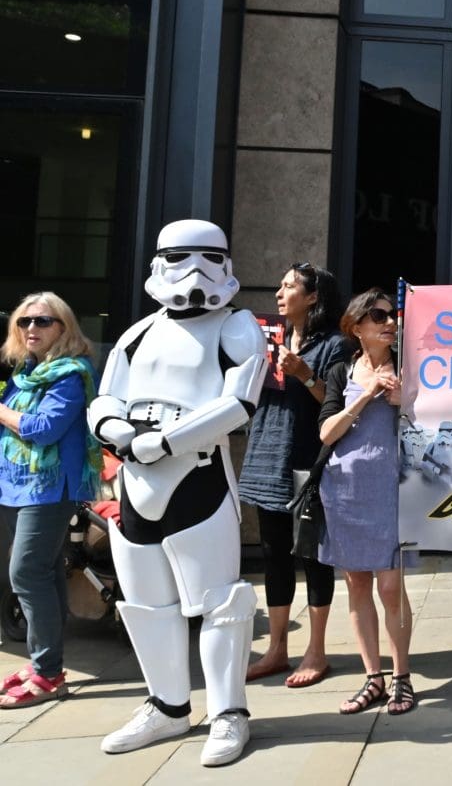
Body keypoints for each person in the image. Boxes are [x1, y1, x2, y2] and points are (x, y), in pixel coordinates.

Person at [88, 219, 267, 767]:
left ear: (226, 262)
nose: (195, 270)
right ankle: (167, 707)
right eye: (181, 257)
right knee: (145, 605)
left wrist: (165, 441)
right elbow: (105, 397)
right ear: (159, 262)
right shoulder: (137, 333)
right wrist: (117, 433)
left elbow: (240, 402)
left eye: (208, 257)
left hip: (199, 476)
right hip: (135, 482)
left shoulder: (237, 328)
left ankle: (228, 712)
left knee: (220, 604)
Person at [240, 264, 348, 688]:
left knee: (312, 554)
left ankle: (316, 651)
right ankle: (277, 649)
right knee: (273, 553)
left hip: (308, 456)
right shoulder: (266, 339)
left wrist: (304, 372)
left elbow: (336, 401)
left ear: (313, 297)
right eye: (281, 286)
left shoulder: (335, 345)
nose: (280, 293)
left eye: (289, 286)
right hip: (267, 451)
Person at [0, 292, 102, 708]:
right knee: (46, 572)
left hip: (50, 488)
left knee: (25, 573)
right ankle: (46, 665)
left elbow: (43, 429)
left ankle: (47, 673)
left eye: (43, 321)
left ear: (64, 327)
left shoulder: (70, 374)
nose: (31, 329)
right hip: (16, 483)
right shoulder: (25, 373)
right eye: (24, 322)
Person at [317, 289, 416, 716]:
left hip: (391, 488)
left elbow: (438, 419)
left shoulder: (412, 369)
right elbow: (326, 433)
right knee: (356, 584)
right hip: (343, 489)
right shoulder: (341, 372)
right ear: (357, 327)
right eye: (378, 316)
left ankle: (402, 677)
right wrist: (367, 393)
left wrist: (405, 402)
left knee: (391, 586)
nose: (389, 323)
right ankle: (373, 677)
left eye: (392, 316)